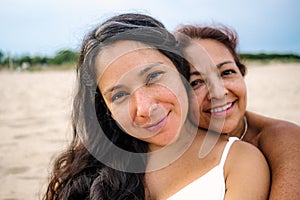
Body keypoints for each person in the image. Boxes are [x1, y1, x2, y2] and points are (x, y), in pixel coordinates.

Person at [43, 13, 269, 200]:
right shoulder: (83, 175)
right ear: (106, 109)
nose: (144, 108)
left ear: (180, 71)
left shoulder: (237, 162)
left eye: (153, 76)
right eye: (120, 94)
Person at [174, 24, 300, 200]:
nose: (218, 92)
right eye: (196, 82)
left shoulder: (285, 140)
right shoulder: (167, 152)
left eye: (226, 72)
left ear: (242, 73)